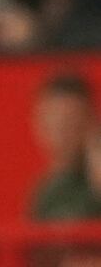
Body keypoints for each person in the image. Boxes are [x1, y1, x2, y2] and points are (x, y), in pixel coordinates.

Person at [31, 73, 101, 221]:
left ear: (92, 121)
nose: (62, 133)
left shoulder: (94, 181)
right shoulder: (47, 192)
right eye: (55, 122)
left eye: (71, 122)